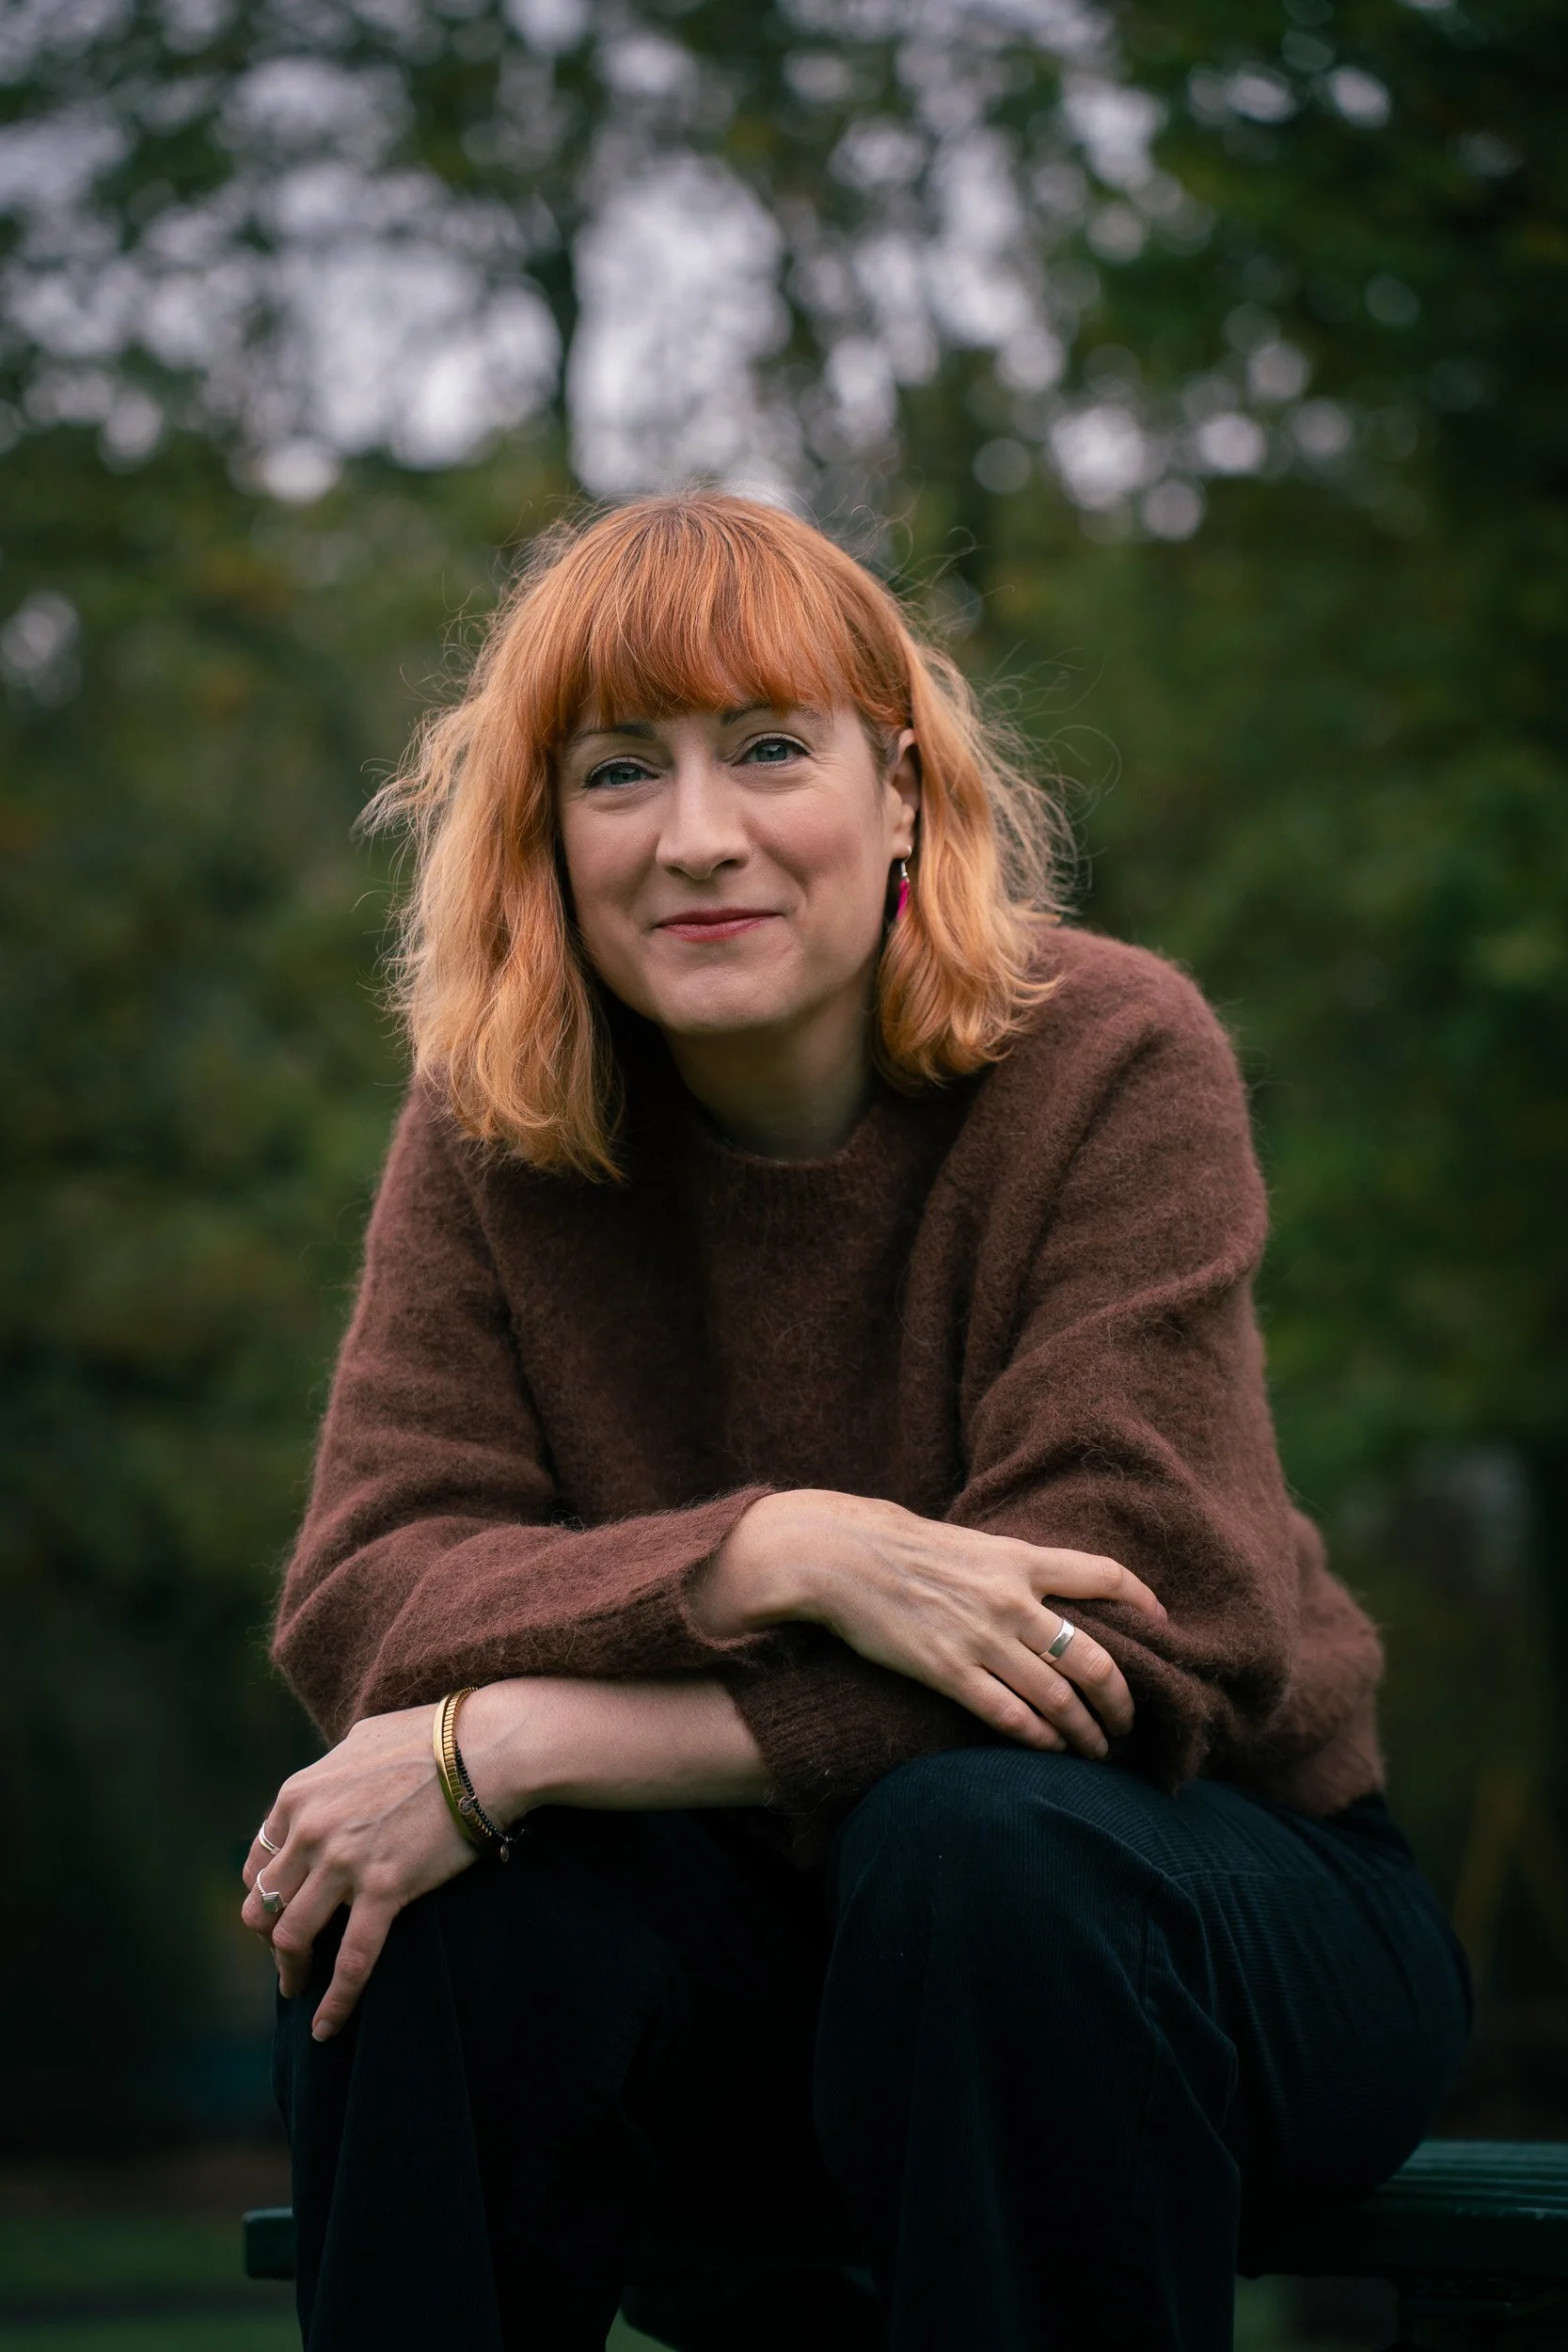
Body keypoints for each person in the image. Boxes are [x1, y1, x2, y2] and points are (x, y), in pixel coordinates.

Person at [242, 492, 1469, 2352]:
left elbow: (1120, 1636)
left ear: (897, 791)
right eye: (618, 772)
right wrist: (766, 1553)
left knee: (976, 1841)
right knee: (408, 1893)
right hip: (774, 1966)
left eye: (766, 749)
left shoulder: (1108, 1056)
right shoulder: (494, 1129)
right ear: (546, 835)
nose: (697, 835)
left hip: (1200, 1903)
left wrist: (530, 1736)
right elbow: (369, 1591)